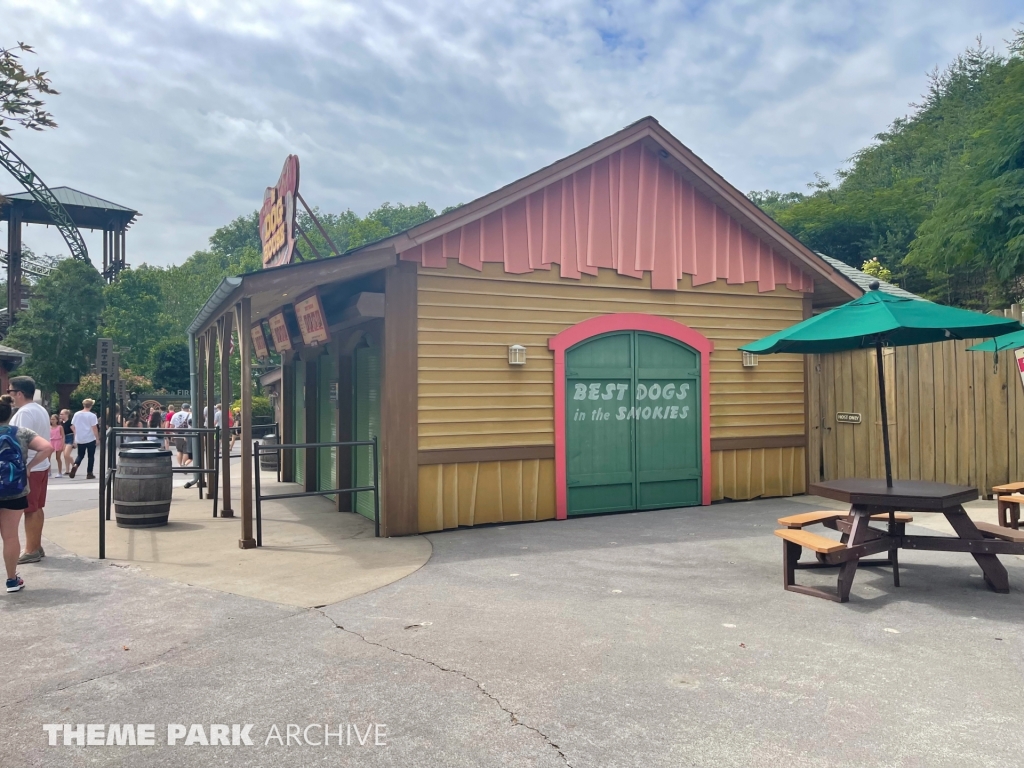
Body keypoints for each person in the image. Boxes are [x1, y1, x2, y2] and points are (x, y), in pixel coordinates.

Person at [0, 394, 54, 592]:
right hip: (14, 490)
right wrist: (28, 466)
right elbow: (47, 447)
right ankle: (12, 580)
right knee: (10, 536)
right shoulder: (21, 432)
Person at [9, 377, 53, 565]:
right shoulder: (40, 409)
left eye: (10, 391)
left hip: (30, 467)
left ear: (19, 393)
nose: (8, 394)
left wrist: (25, 466)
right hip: (40, 465)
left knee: (30, 509)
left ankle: (31, 549)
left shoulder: (23, 413)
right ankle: (36, 544)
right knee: (37, 507)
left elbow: (20, 442)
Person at [68, 399, 99, 479]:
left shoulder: (77, 414)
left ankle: (75, 465)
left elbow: (73, 426)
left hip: (80, 438)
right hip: (90, 438)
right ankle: (89, 473)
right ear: (91, 406)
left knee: (80, 455)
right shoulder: (92, 416)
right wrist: (97, 438)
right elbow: (94, 427)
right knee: (91, 456)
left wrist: (76, 435)